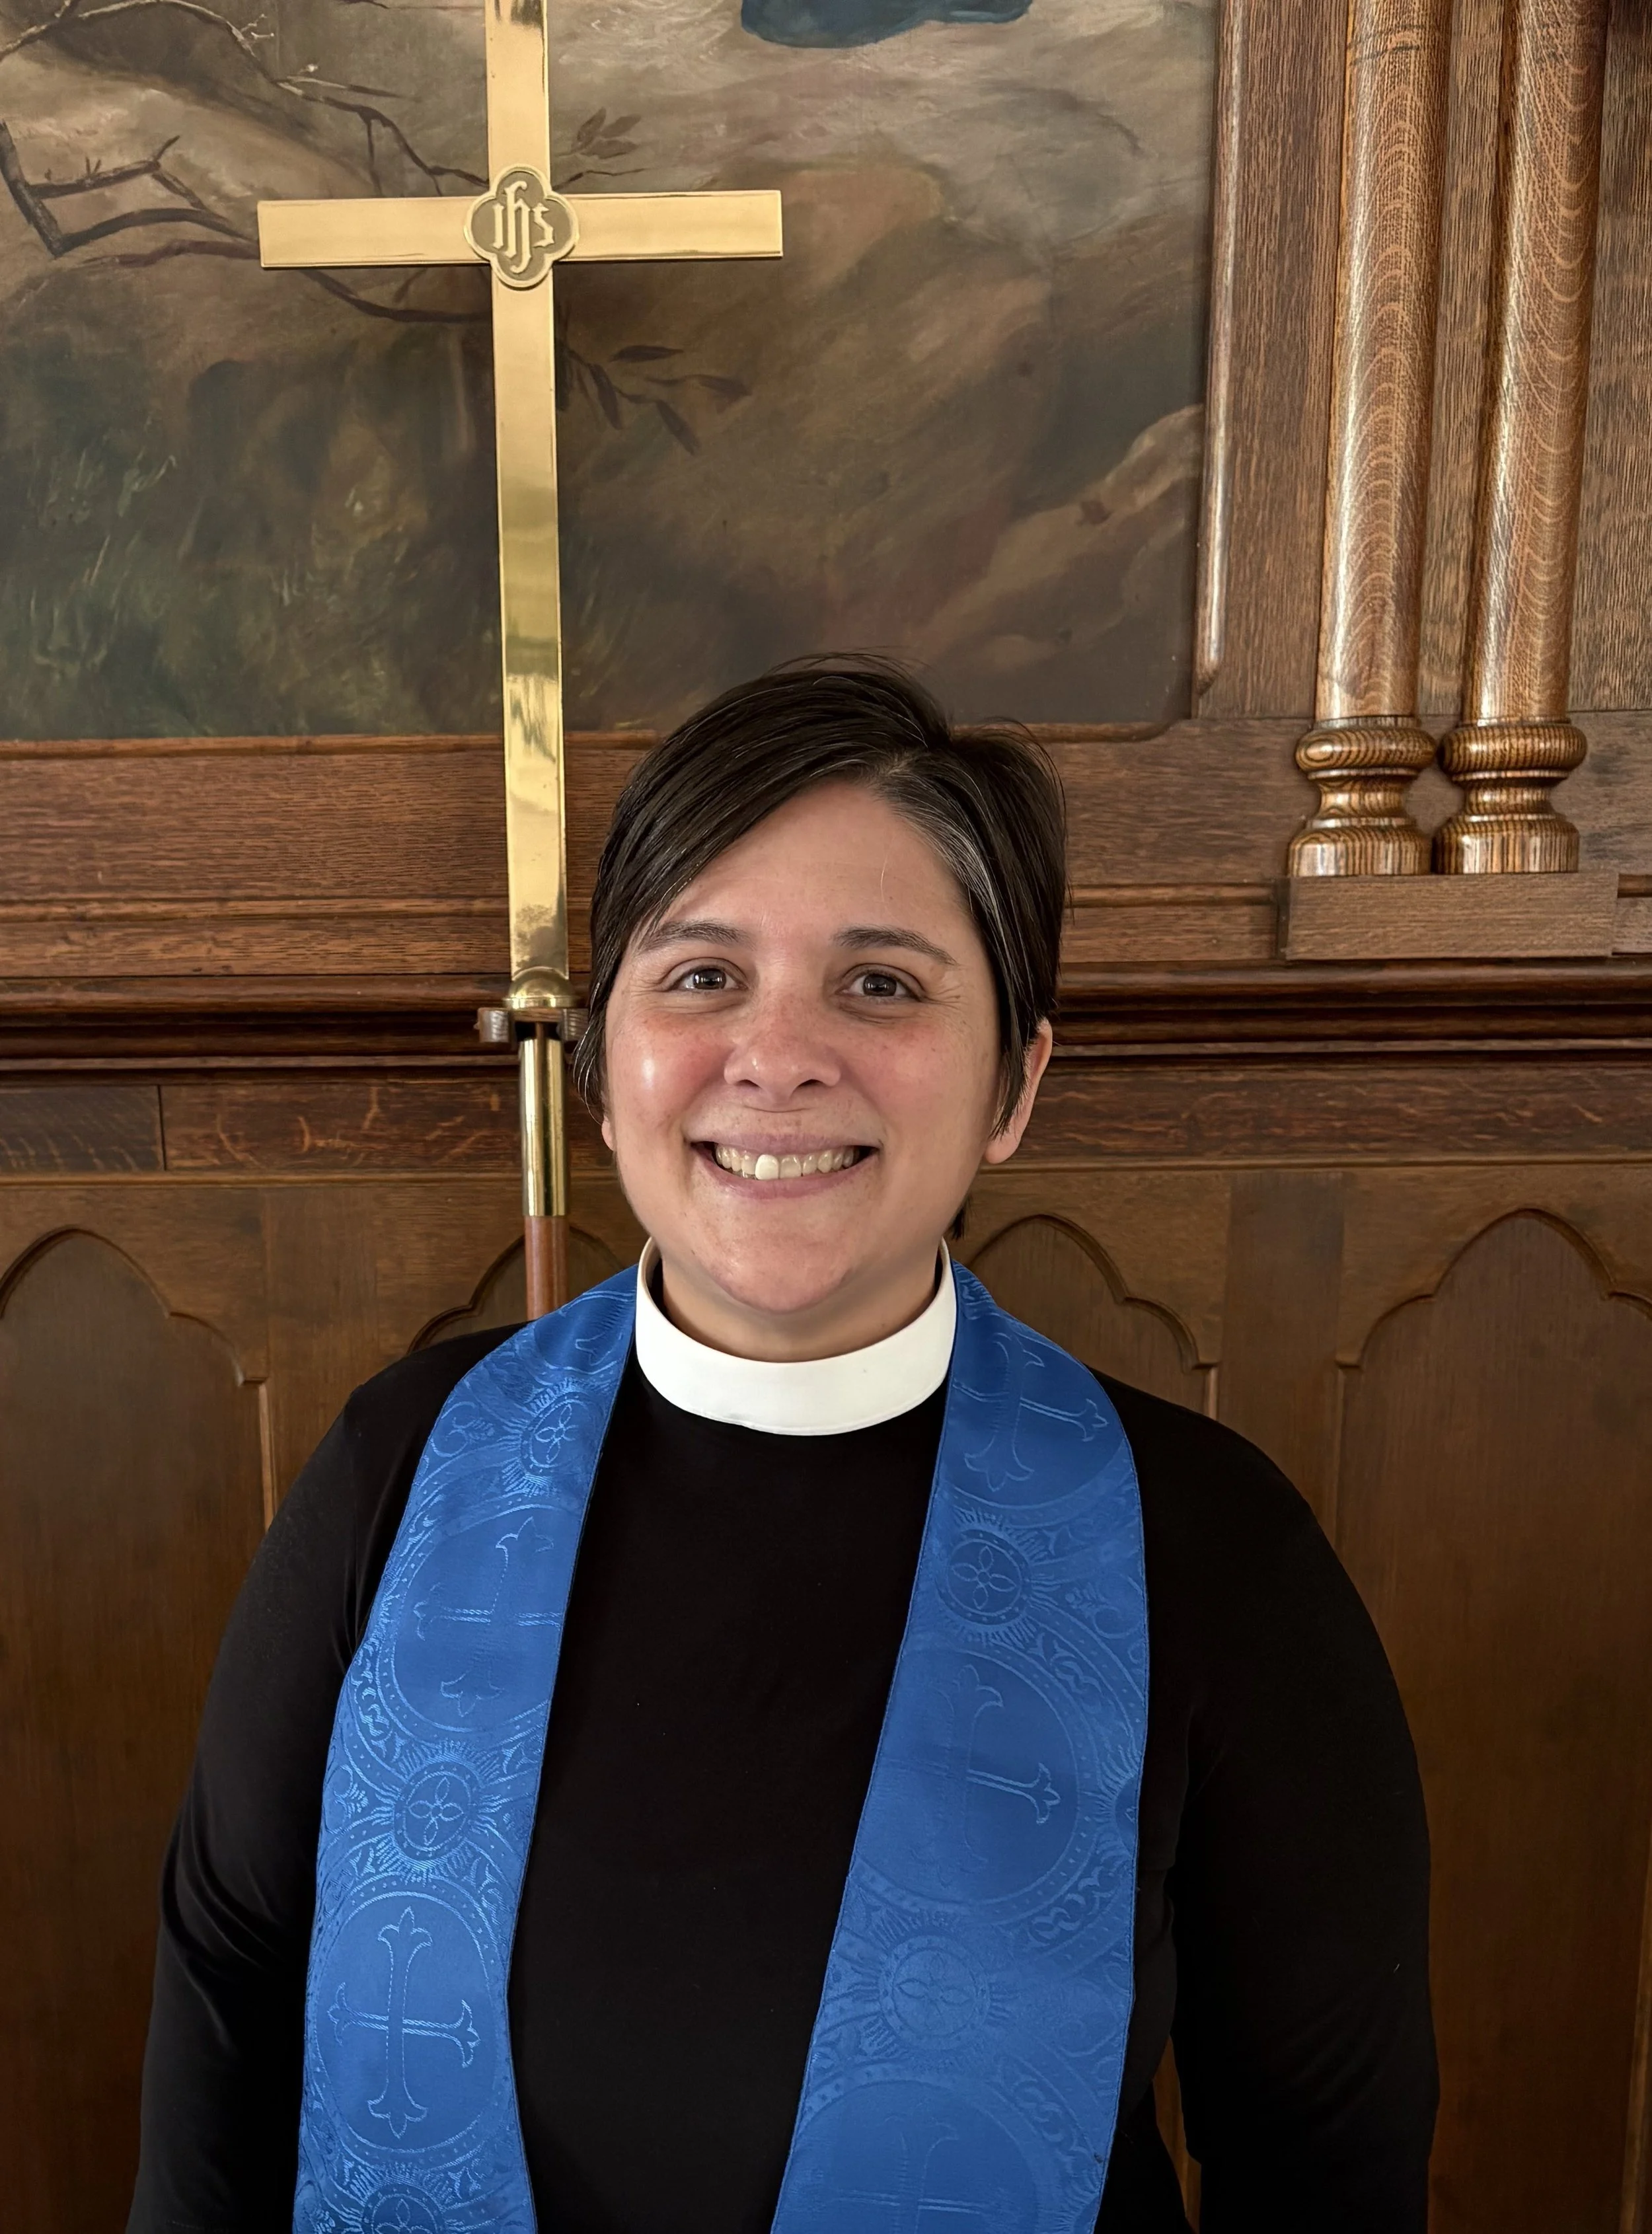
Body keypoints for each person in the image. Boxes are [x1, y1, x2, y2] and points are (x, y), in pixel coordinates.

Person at [128, 660, 1437, 2234]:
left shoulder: (1209, 1550)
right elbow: (230, 1995)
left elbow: (1320, 2161)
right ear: (608, 1067)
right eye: (698, 977)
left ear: (1015, 1081)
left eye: (879, 983)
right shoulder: (397, 1469)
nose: (778, 1054)